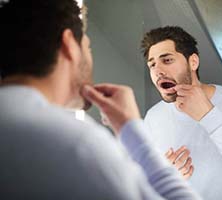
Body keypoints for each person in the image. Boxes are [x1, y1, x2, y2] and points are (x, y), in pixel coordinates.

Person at [0, 1, 201, 199]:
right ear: (70, 44)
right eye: (88, 47)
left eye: (166, 60)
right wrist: (132, 130)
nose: (158, 71)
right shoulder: (78, 144)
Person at [141, 26, 222, 200]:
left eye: (167, 60)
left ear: (193, 62)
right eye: (152, 64)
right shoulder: (154, 117)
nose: (157, 71)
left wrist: (208, 114)